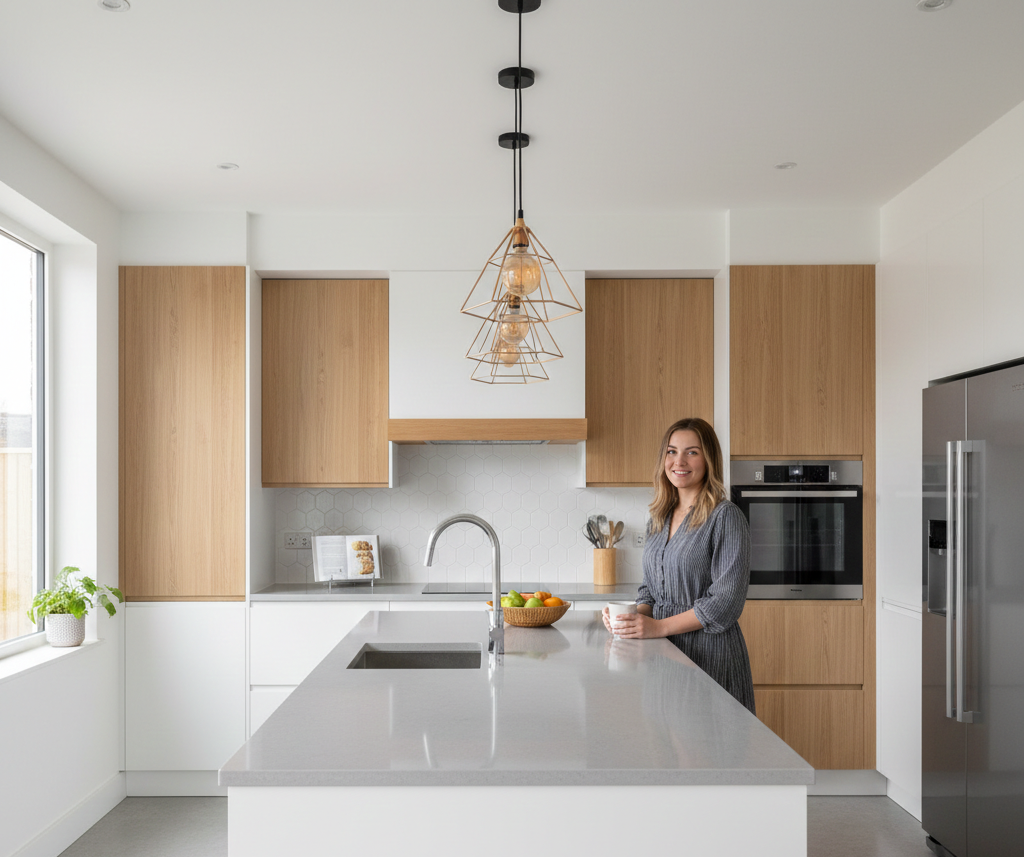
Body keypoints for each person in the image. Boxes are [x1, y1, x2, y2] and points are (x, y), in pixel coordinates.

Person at [602, 417, 755, 714]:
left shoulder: (725, 517)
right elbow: (650, 590)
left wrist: (658, 627)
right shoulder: (660, 517)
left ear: (709, 459)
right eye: (672, 451)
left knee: (707, 751)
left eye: (692, 452)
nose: (679, 461)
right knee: (669, 746)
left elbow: (725, 603)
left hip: (709, 654)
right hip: (664, 652)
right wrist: (630, 620)